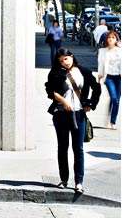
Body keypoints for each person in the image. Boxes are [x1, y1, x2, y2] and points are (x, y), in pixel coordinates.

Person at [45, 47, 101, 194]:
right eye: (61, 61)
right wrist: (63, 101)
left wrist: (91, 104)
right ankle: (64, 178)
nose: (65, 63)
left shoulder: (83, 71)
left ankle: (78, 182)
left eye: (66, 59)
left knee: (78, 149)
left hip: (78, 114)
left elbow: (97, 87)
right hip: (61, 114)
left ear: (72, 56)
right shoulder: (56, 72)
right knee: (62, 148)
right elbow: (50, 90)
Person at [97, 30, 122, 130]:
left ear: (116, 39)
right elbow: (100, 64)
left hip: (120, 77)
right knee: (114, 99)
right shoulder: (102, 51)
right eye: (109, 37)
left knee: (116, 100)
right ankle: (112, 121)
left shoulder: (120, 50)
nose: (111, 39)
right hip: (109, 77)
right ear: (106, 39)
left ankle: (112, 120)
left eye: (113, 37)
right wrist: (99, 76)